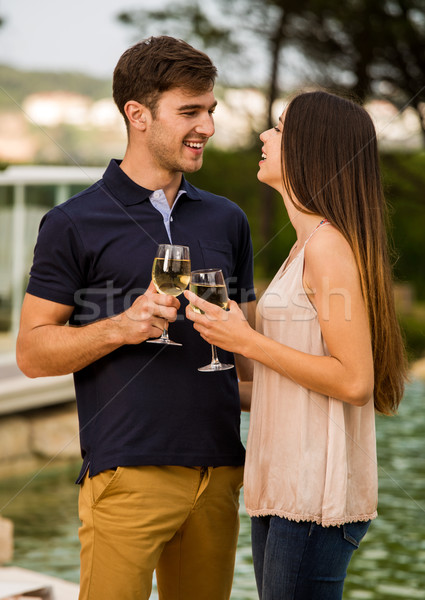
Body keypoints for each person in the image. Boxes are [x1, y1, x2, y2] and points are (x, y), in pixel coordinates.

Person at [16, 36, 256, 600]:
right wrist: (122, 327)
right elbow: (31, 352)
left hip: (220, 471)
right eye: (190, 112)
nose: (208, 127)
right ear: (138, 114)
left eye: (211, 111)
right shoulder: (73, 222)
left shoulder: (228, 220)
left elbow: (246, 357)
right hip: (128, 473)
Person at [185, 90, 408, 599]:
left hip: (313, 499)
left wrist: (246, 340)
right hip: (281, 492)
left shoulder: (328, 248)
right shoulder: (302, 247)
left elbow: (354, 382)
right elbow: (290, 382)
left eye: (280, 128)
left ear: (313, 150)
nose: (264, 136)